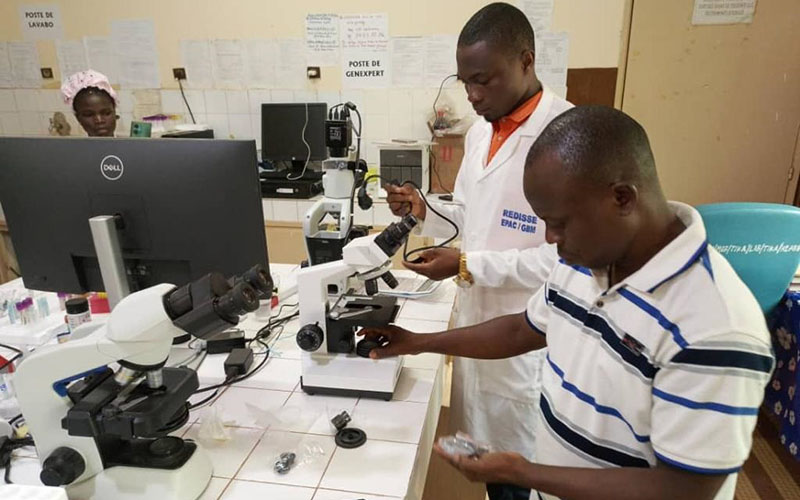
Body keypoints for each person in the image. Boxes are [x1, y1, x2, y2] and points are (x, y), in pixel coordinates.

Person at [364, 106, 774, 500]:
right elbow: (521, 329)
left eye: (559, 223)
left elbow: (685, 489)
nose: (548, 239)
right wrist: (417, 341)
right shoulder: (586, 262)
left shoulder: (715, 326)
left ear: (623, 198)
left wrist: (521, 472)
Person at [386, 4, 571, 499]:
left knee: (524, 473)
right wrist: (424, 209)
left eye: (483, 80)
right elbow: (471, 213)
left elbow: (563, 260)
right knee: (489, 469)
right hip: (479, 328)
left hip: (531, 334)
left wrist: (467, 263)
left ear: (526, 61)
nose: (472, 95)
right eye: (465, 81)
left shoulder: (567, 137)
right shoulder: (479, 132)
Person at [60, 70, 118, 137]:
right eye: (89, 115)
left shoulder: (131, 146)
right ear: (78, 118)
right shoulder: (70, 147)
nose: (99, 120)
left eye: (106, 113)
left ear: (114, 111)